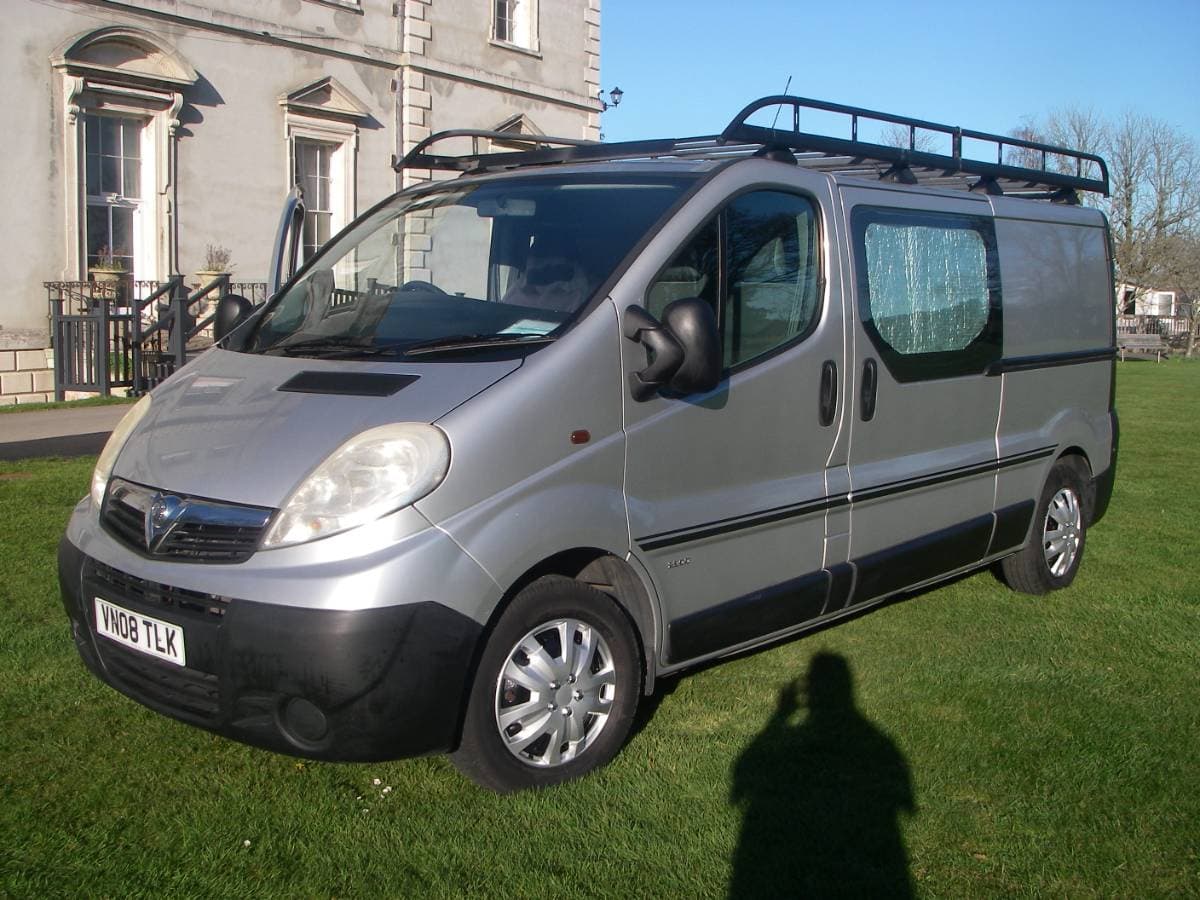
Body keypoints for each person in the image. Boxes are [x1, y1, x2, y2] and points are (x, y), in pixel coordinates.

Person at [502, 235, 590, 312]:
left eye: (544, 254)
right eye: (535, 254)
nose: (537, 262)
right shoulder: (515, 292)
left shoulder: (579, 295)